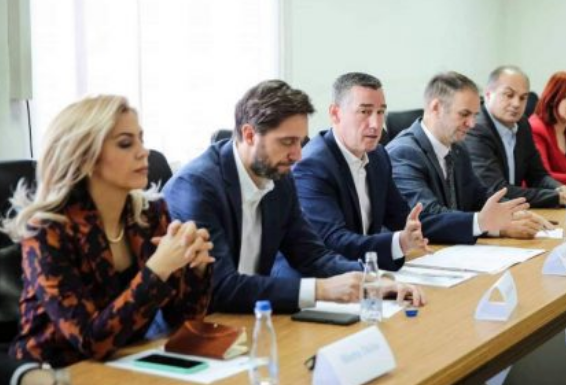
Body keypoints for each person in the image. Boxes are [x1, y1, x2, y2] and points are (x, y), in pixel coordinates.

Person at [163, 80, 425, 314]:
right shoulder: (197, 187)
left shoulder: (280, 178)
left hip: (253, 315)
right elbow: (221, 287)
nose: (298, 155)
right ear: (249, 135)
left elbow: (313, 256)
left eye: (300, 141)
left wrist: (374, 280)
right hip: (194, 328)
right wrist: (321, 290)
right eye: (287, 142)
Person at [2, 96, 213, 367]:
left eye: (141, 140)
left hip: (128, 363)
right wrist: (158, 269)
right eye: (125, 143)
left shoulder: (150, 215)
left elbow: (182, 322)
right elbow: (90, 341)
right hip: (56, 372)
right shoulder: (47, 231)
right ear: (85, 158)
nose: (143, 152)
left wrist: (195, 270)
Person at [387, 72, 553, 241]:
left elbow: (479, 196)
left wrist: (515, 212)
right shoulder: (403, 153)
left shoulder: (458, 148)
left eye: (475, 115)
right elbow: (426, 217)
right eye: (464, 114)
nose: (472, 124)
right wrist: (494, 227)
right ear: (436, 107)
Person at [292, 73, 432, 271]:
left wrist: (413, 231)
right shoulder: (312, 166)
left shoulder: (378, 156)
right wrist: (399, 243)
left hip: (367, 270)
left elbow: (401, 218)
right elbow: (333, 241)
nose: (376, 124)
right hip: (328, 278)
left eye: (380, 112)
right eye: (365, 112)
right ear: (335, 114)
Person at [463, 66, 566, 208]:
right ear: (488, 94)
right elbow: (497, 190)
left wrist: (560, 189)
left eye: (523, 97)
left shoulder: (522, 123)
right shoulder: (476, 129)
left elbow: (538, 175)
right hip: (483, 214)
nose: (516, 104)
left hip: (515, 211)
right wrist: (556, 197)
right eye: (509, 95)